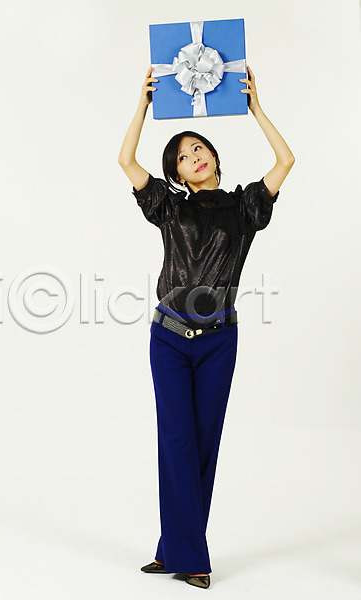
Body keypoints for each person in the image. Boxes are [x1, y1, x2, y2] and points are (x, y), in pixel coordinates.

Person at [118, 65, 295, 589]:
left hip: (219, 341)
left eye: (198, 148)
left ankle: (172, 547)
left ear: (213, 156)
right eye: (181, 156)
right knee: (176, 441)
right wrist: (143, 106)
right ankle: (192, 559)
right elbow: (125, 160)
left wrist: (256, 108)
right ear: (176, 172)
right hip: (169, 339)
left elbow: (286, 161)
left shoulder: (247, 207)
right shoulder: (168, 208)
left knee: (202, 445)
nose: (192, 156)